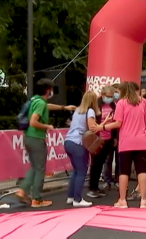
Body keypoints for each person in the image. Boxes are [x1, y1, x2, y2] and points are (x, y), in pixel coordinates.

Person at [16, 78, 76, 207]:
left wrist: (63, 107)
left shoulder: (36, 100)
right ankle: (36, 198)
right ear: (48, 90)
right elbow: (33, 121)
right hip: (37, 138)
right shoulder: (41, 103)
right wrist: (47, 126)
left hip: (28, 137)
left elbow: (46, 106)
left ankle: (22, 191)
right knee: (40, 169)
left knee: (34, 166)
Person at [95, 81, 146, 208]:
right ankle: (143, 200)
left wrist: (102, 127)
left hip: (126, 142)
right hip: (141, 141)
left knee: (124, 171)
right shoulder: (143, 102)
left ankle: (123, 200)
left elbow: (118, 123)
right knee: (141, 171)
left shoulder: (121, 103)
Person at [64, 91, 100, 207]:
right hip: (78, 143)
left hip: (68, 141)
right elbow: (92, 129)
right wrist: (102, 125)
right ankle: (77, 199)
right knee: (82, 171)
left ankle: (71, 196)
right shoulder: (90, 111)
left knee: (76, 170)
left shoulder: (77, 111)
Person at [88, 85, 117, 197]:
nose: (109, 98)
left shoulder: (113, 105)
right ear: (102, 95)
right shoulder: (96, 105)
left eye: (111, 96)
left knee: (101, 163)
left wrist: (114, 138)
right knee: (95, 164)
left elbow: (115, 123)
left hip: (108, 138)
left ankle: (96, 187)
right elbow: (92, 123)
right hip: (97, 138)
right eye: (108, 96)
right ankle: (92, 187)